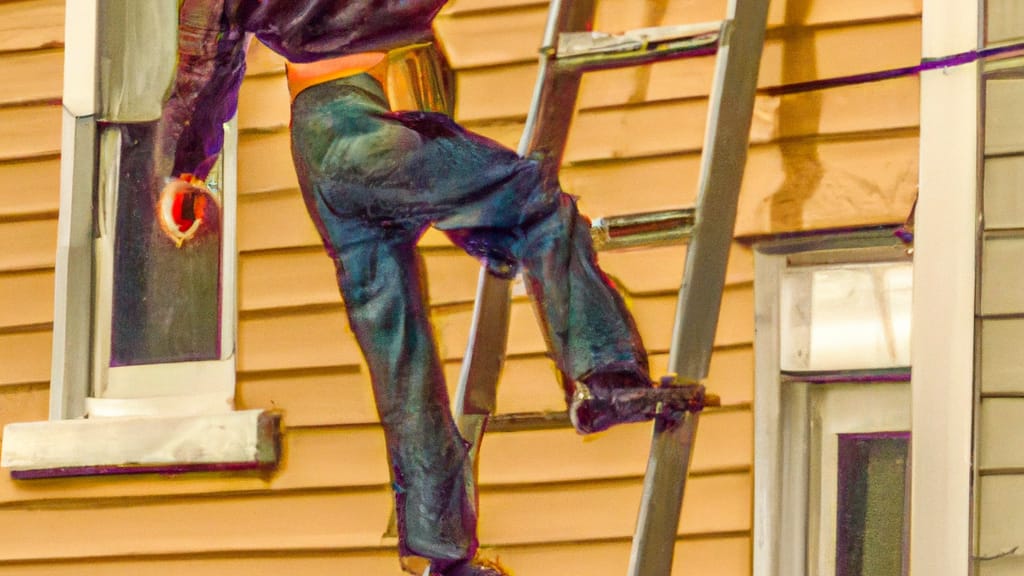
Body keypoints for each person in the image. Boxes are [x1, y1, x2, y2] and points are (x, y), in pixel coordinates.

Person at [156, 1, 686, 574]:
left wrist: (184, 168)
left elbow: (207, 50)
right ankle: (605, 374)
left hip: (318, 138)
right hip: (377, 124)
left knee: (400, 356)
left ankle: (443, 552)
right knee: (537, 208)